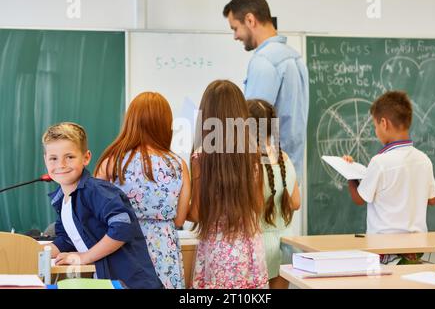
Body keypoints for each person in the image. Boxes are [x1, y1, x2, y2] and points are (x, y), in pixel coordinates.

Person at [43, 122, 163, 289]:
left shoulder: (96, 190)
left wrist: (85, 257)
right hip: (104, 281)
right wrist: (36, 252)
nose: (61, 164)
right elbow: (66, 239)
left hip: (130, 283)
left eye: (69, 157)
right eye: (53, 158)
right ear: (45, 160)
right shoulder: (61, 199)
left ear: (86, 157)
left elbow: (122, 227)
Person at [94, 92, 190, 289]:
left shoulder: (112, 162)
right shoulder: (178, 165)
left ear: (131, 121)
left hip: (122, 246)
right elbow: (180, 219)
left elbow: (95, 213)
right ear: (165, 124)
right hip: (165, 250)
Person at [188, 80, 268, 289]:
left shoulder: (200, 158)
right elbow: (258, 205)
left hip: (216, 252)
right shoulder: (253, 156)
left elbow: (196, 214)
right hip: (249, 250)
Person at [223, 0, 309, 182]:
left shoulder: (264, 61)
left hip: (266, 175)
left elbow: (253, 125)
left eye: (235, 28)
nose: (235, 36)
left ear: (250, 20)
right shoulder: (295, 58)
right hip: (289, 173)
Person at [344, 91, 435, 264]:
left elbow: (359, 198)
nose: (375, 131)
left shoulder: (380, 162)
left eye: (375, 126)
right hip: (417, 251)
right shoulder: (424, 160)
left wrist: (349, 174)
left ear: (384, 123)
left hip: (385, 251)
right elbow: (432, 200)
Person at [247, 99, 300, 289]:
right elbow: (295, 203)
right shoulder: (284, 157)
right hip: (285, 242)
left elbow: (253, 206)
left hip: (259, 242)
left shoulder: (250, 162)